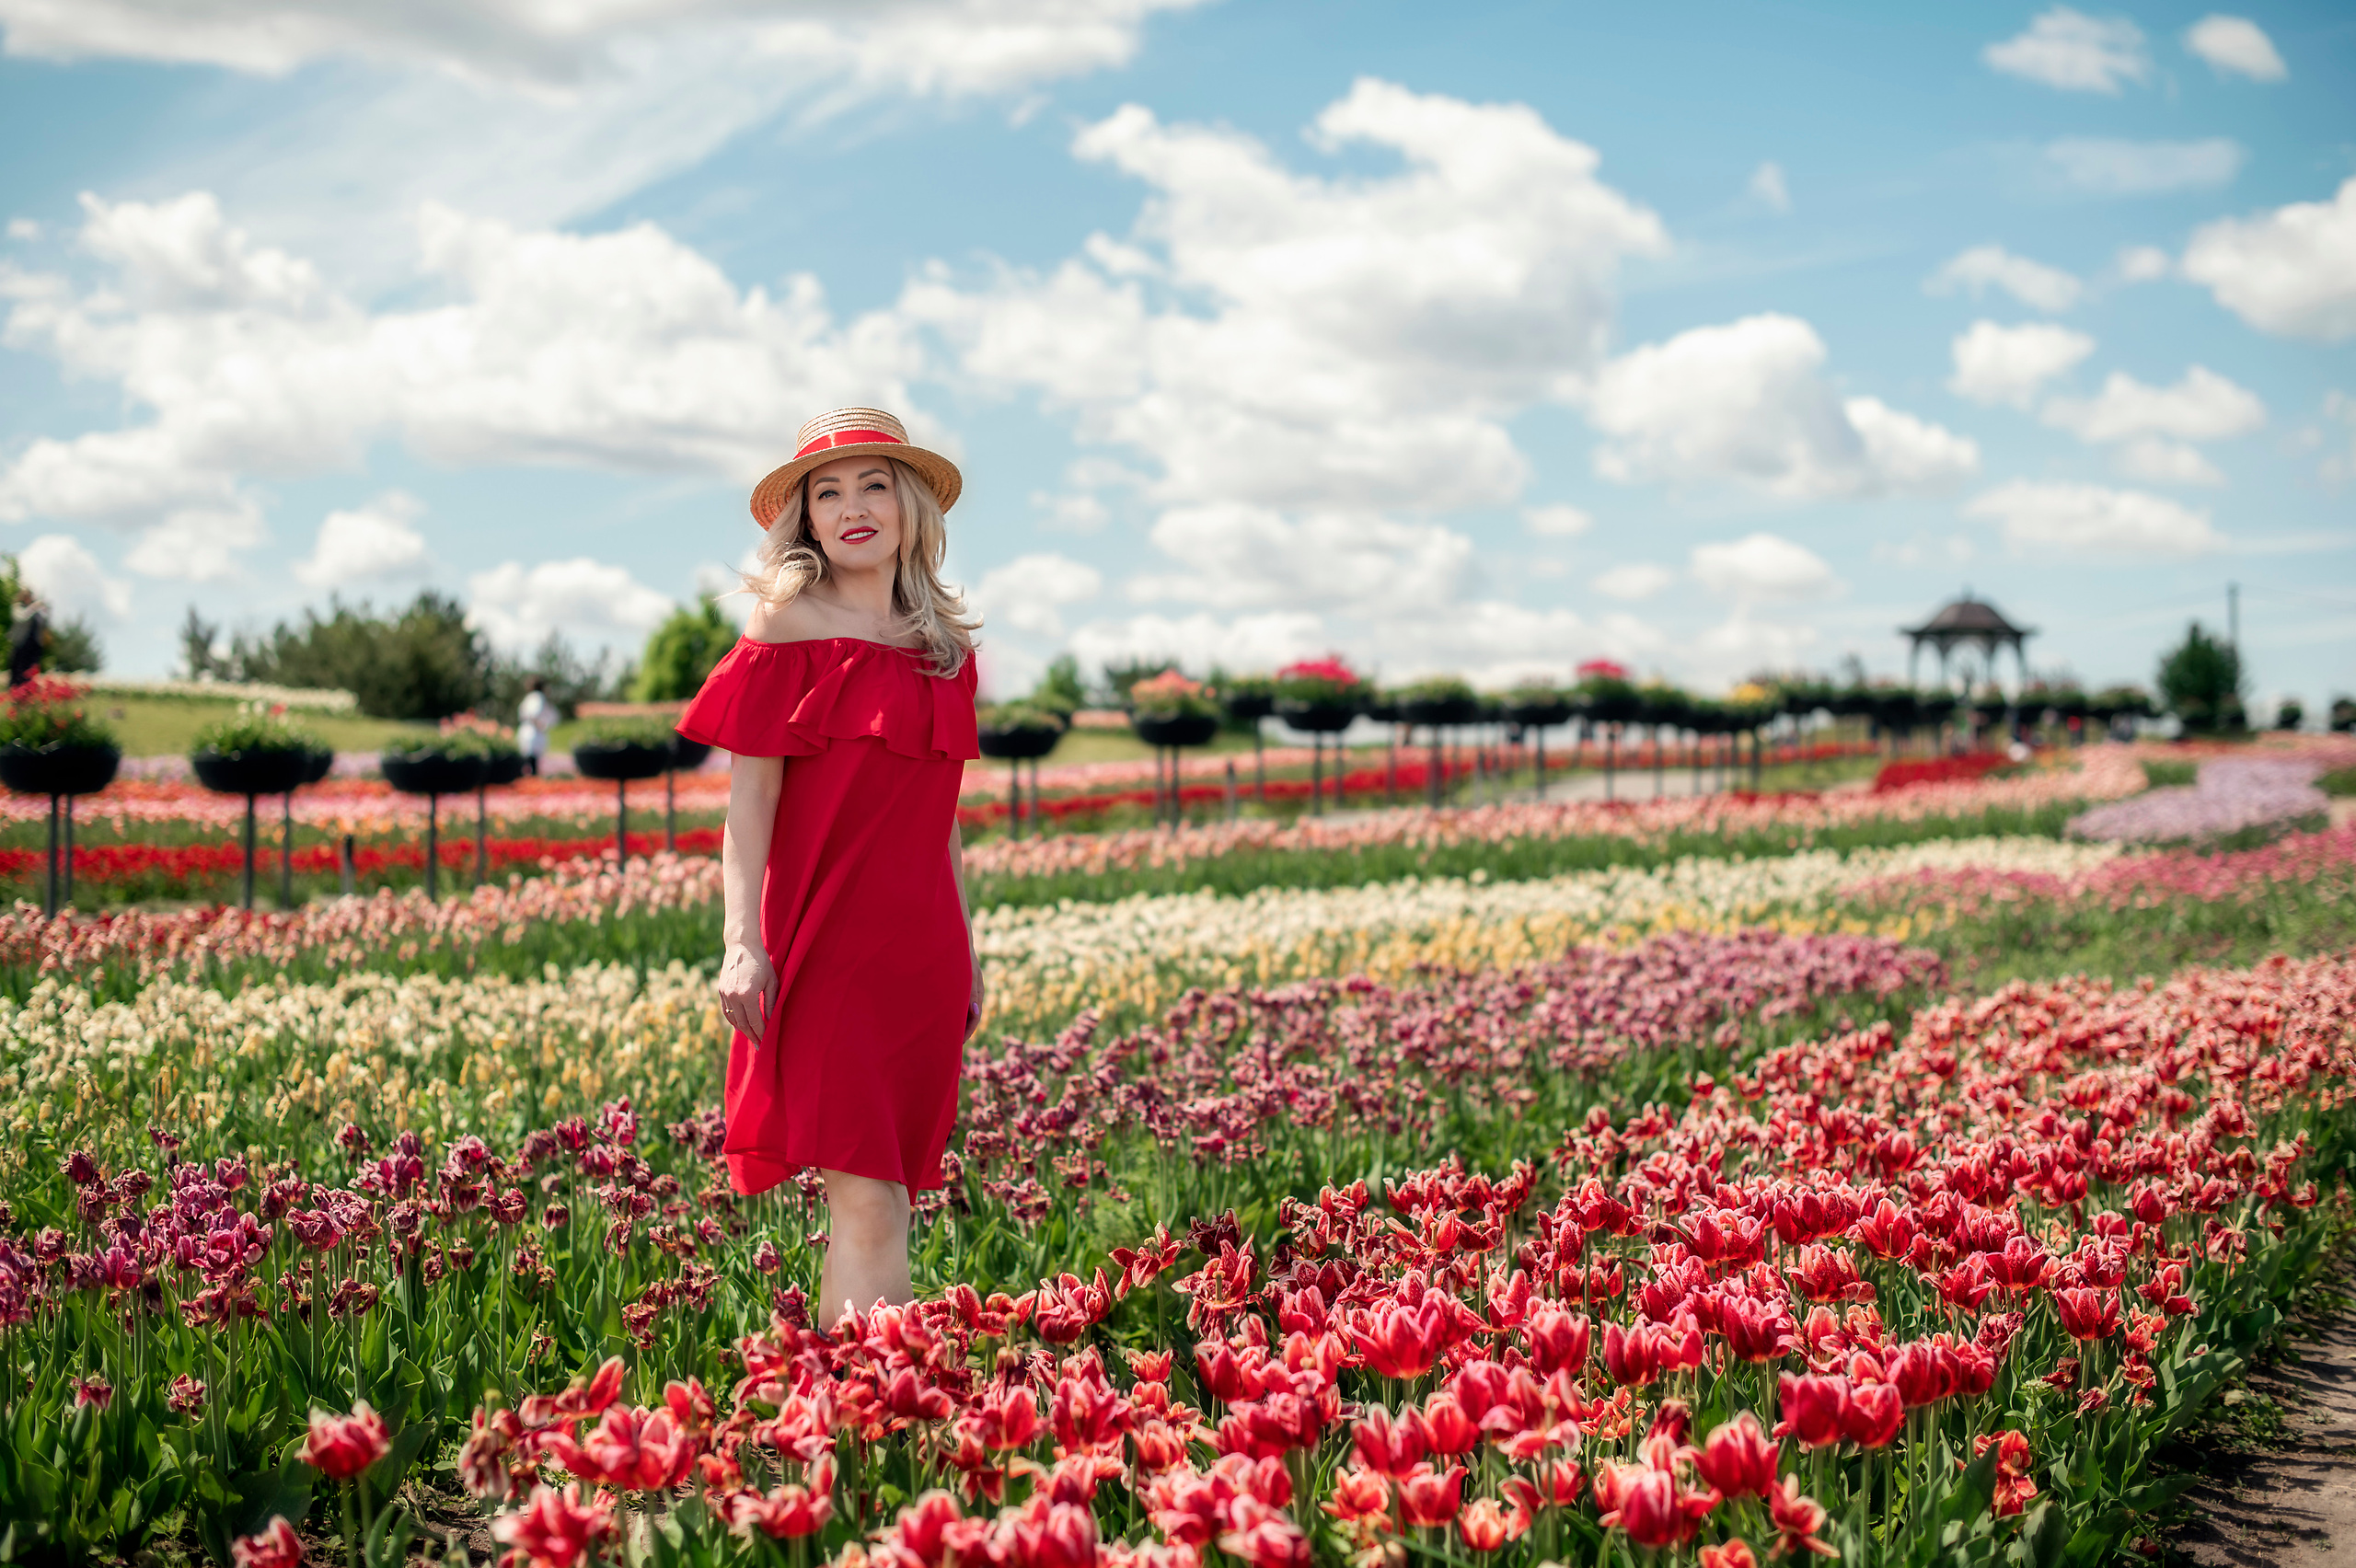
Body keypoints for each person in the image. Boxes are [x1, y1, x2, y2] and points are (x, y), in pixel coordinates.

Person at [676, 407, 982, 1329]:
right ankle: (860, 1416)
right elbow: (750, 805)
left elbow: (943, 822)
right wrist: (741, 944)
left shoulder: (946, 650)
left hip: (917, 951)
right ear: (804, 517)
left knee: (892, 1202)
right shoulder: (784, 625)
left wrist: (968, 949)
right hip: (823, 946)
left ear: (909, 507)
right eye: (828, 491)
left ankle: (873, 1415)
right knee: (863, 1202)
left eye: (874, 484)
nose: (852, 507)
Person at [7, 590, 47, 689]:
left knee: (31, 671)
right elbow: (22, 617)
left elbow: (43, 624)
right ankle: (15, 692)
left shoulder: (35, 611)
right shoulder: (17, 608)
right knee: (18, 669)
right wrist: (34, 607)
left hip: (34, 646)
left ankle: (28, 692)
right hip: (21, 644)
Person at [515, 678, 553, 777]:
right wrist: (540, 725)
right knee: (532, 762)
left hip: (526, 730)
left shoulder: (528, 697)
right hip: (533, 731)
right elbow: (534, 714)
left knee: (525, 760)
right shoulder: (539, 697)